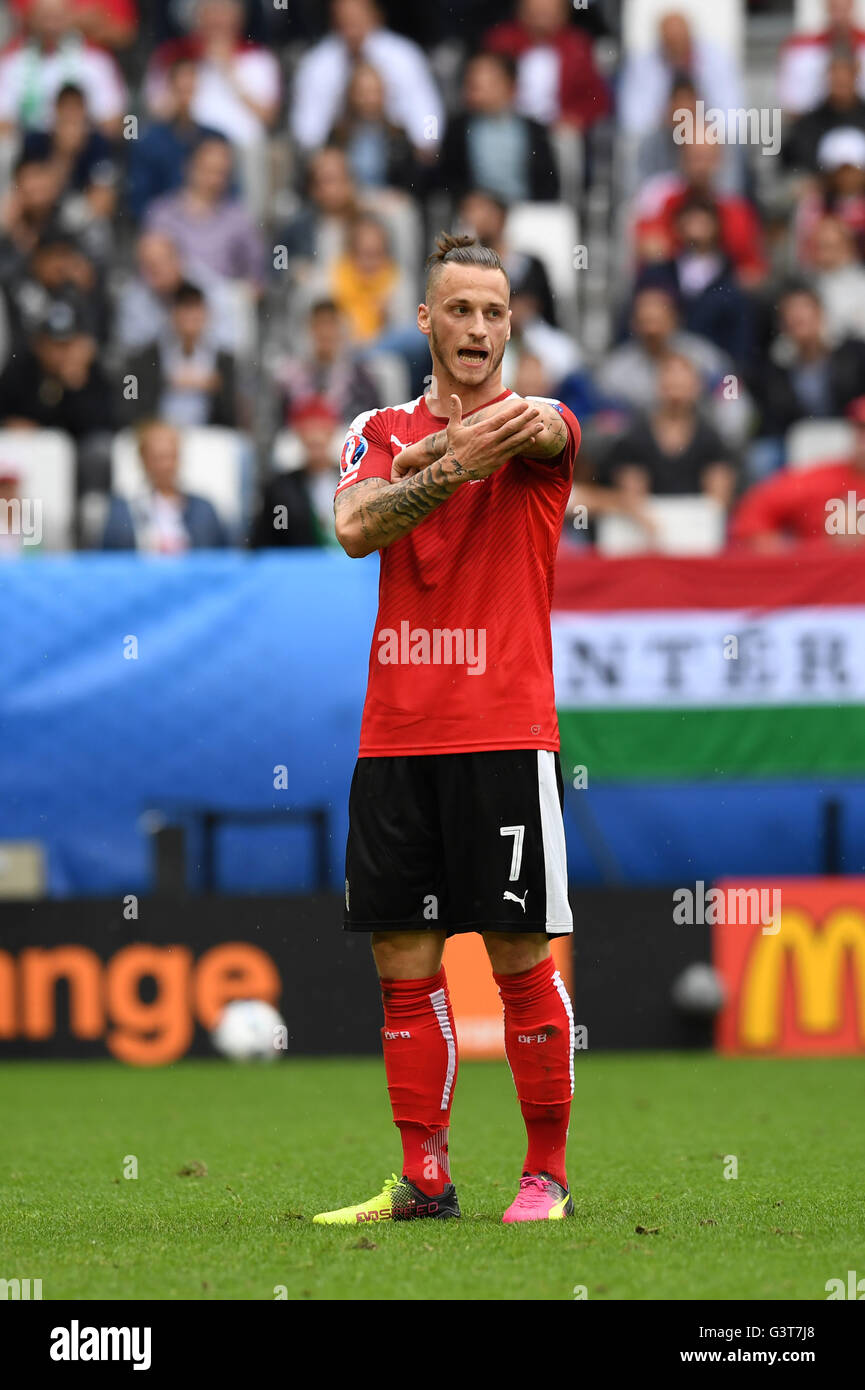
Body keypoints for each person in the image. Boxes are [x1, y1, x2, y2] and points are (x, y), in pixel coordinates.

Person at [314, 231, 581, 1227]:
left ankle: (544, 1173)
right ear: (424, 319)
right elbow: (352, 527)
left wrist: (470, 446)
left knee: (516, 955)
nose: (478, 328)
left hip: (503, 729)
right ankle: (423, 1176)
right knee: (402, 960)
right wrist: (435, 466)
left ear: (512, 324)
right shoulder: (376, 429)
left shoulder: (534, 424)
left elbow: (548, 431)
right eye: (459, 310)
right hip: (395, 734)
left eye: (495, 312)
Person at [291, 0, 444, 156]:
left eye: (357, 18)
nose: (351, 28)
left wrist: (426, 145)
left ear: (374, 15)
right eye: (344, 19)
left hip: (398, 153)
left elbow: (426, 108)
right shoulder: (316, 64)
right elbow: (307, 131)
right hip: (341, 155)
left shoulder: (404, 56)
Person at [599, 353, 737, 510]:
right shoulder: (634, 438)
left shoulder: (712, 440)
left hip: (697, 526)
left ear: (697, 388)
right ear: (658, 386)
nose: (676, 394)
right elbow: (632, 502)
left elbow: (717, 505)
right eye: (670, 385)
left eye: (682, 386)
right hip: (648, 526)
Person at [731, 396, 865, 549]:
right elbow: (752, 514)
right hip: (821, 570)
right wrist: (785, 550)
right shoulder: (822, 480)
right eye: (862, 430)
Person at [433, 50, 559, 205]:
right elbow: (447, 180)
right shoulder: (457, 129)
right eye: (472, 81)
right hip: (475, 213)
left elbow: (548, 183)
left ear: (510, 86)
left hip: (527, 212)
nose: (477, 88)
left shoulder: (534, 130)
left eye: (488, 81)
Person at [144, 135, 265, 286]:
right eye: (208, 170)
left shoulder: (240, 219)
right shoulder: (162, 215)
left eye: (221, 173)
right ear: (189, 167)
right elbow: (149, 269)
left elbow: (256, 274)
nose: (214, 180)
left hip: (223, 303)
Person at [99, 418, 229, 551]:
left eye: (171, 456)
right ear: (143, 460)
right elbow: (110, 560)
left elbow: (222, 559)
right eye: (158, 458)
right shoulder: (123, 512)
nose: (166, 466)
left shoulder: (203, 510)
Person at [120, 281, 237, 428]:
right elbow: (131, 399)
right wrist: (164, 381)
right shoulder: (147, 357)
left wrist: (217, 386)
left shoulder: (224, 360)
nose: (190, 318)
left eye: (195, 310)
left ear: (207, 315)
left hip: (208, 436)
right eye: (185, 309)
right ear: (173, 314)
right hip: (159, 433)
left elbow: (232, 413)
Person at [483, 0, 610, 131]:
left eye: (548, 11)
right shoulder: (502, 41)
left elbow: (595, 97)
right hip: (507, 123)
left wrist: (576, 117)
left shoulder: (577, 45)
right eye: (535, 10)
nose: (541, 17)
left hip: (557, 129)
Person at [127, 58, 225, 222]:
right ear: (170, 89)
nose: (185, 97)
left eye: (190, 89)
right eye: (181, 89)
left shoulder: (215, 139)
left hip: (212, 226)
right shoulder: (148, 142)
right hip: (165, 228)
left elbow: (231, 195)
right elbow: (140, 201)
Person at [618, 8, 742, 138]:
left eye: (681, 43)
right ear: (662, 43)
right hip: (660, 141)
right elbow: (633, 121)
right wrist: (670, 122)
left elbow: (733, 116)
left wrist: (699, 130)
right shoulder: (642, 65)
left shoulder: (717, 59)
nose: (677, 51)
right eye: (671, 45)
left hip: (708, 140)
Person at [250, 397, 341, 547]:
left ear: (332, 433)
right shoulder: (281, 491)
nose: (315, 437)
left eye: (322, 429)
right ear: (299, 435)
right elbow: (273, 537)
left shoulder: (357, 482)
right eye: (309, 430)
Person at [272, 299, 379, 425]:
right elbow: (279, 424)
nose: (325, 332)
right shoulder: (288, 378)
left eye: (331, 325)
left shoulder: (359, 378)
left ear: (342, 331)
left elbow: (371, 424)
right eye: (319, 324)